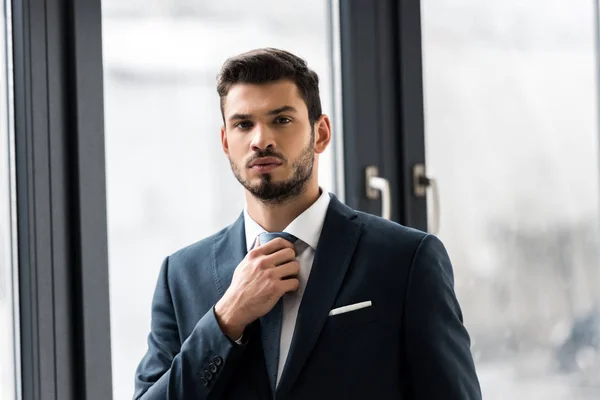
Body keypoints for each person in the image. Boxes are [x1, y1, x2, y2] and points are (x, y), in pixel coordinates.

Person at [133, 48, 482, 400]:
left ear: (321, 133)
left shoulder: (407, 260)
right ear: (226, 142)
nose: (260, 140)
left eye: (281, 120)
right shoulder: (180, 275)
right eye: (243, 124)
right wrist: (226, 319)